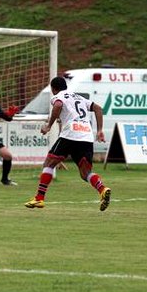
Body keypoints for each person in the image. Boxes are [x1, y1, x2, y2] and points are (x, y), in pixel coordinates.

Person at [25, 76, 112, 211]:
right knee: (85, 173)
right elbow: (98, 108)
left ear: (53, 89)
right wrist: (99, 130)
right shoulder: (79, 98)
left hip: (71, 134)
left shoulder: (58, 96)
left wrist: (48, 126)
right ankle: (102, 189)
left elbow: (59, 105)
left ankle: (39, 198)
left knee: (48, 163)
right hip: (86, 137)